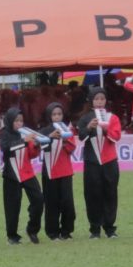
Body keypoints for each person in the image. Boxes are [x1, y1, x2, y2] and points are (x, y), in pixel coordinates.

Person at [78, 87, 122, 238]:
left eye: (102, 99)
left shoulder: (112, 117)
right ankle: (95, 229)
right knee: (92, 195)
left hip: (110, 162)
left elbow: (116, 137)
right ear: (91, 101)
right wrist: (89, 127)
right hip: (92, 162)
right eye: (96, 99)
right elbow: (80, 137)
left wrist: (105, 129)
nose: (99, 102)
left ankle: (110, 229)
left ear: (106, 100)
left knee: (110, 193)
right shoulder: (85, 118)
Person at [0, 107, 44, 244]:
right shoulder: (5, 134)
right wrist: (24, 141)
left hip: (26, 171)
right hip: (11, 174)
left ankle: (32, 229)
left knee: (38, 199)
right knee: (12, 206)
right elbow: (6, 149)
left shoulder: (25, 133)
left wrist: (36, 145)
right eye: (16, 121)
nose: (19, 124)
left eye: (21, 121)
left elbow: (31, 154)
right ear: (10, 121)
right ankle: (12, 236)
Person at [39, 102, 78, 241]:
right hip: (49, 172)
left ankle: (67, 231)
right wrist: (50, 137)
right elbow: (39, 146)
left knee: (68, 203)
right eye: (54, 114)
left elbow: (71, 149)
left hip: (65, 171)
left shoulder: (67, 130)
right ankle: (53, 232)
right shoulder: (44, 130)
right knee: (51, 204)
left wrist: (64, 139)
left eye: (59, 114)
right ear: (49, 116)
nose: (57, 117)